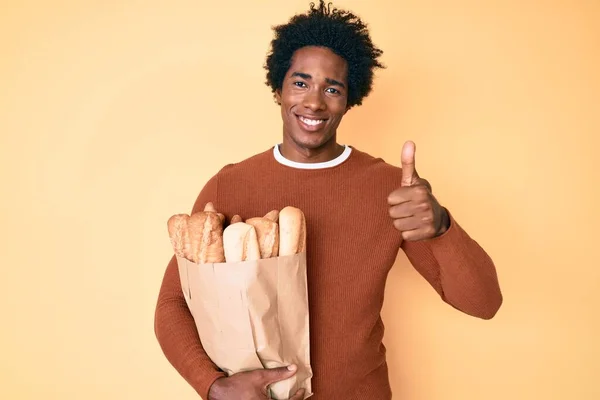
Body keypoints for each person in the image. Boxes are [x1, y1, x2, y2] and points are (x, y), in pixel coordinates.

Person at [154, 1, 503, 399]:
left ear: (349, 99)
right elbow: (172, 304)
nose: (314, 102)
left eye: (332, 89)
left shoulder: (391, 189)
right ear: (279, 87)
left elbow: (484, 303)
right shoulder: (229, 186)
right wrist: (213, 385)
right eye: (300, 82)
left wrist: (441, 228)